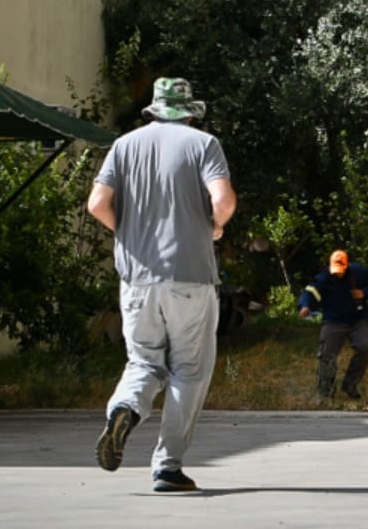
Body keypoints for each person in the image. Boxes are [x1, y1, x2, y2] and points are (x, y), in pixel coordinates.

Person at [87, 77, 236, 495]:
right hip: (190, 275)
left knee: (144, 362)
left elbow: (97, 204)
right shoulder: (203, 145)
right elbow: (223, 201)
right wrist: (214, 226)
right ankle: (168, 467)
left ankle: (124, 409)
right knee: (188, 370)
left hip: (137, 278)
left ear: (153, 109)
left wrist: (129, 234)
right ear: (189, 112)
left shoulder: (124, 146)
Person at [297, 248, 368, 399]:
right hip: (333, 321)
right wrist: (305, 306)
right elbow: (310, 292)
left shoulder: (359, 272)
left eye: (341, 270)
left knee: (365, 348)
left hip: (357, 319)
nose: (338, 273)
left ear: (347, 265)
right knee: (326, 355)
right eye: (335, 270)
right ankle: (326, 391)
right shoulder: (324, 277)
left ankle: (350, 384)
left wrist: (365, 293)